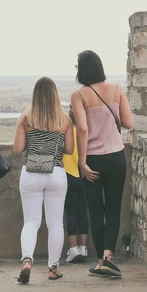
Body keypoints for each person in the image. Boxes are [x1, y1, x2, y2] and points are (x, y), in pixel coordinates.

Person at [70, 50, 133, 278]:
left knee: (95, 211)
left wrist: (82, 162)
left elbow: (83, 129)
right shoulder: (117, 90)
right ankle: (109, 257)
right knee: (113, 208)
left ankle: (99, 263)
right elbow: (127, 122)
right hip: (116, 157)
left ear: (82, 69)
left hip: (93, 159)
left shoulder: (79, 95)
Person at [14, 76, 73, 283]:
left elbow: (19, 148)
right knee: (55, 224)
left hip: (31, 173)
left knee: (31, 222)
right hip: (56, 173)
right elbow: (69, 149)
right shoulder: (65, 120)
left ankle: (27, 260)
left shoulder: (25, 118)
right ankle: (53, 268)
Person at [63, 106, 90, 263]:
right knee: (83, 213)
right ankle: (83, 247)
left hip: (68, 175)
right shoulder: (85, 133)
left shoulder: (66, 134)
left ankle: (73, 249)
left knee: (71, 212)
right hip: (85, 176)